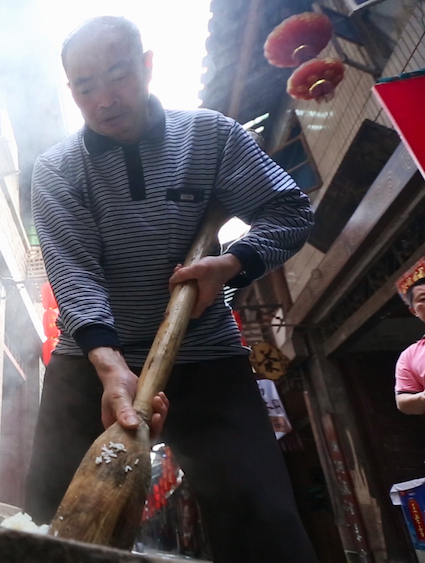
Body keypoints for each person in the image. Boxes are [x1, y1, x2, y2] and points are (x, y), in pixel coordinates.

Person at [24, 17, 318, 562]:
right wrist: (111, 367)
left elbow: (290, 212)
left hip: (205, 353)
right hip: (92, 362)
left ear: (147, 66)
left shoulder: (211, 137)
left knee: (263, 521)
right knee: (44, 518)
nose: (104, 99)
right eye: (85, 87)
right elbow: (74, 272)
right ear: (71, 90)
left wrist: (231, 264)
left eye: (118, 75)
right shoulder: (58, 169)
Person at [394, 258, 425, 415]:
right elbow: (402, 401)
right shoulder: (409, 356)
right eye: (423, 299)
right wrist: (423, 398)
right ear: (414, 311)